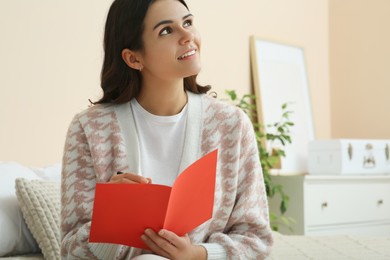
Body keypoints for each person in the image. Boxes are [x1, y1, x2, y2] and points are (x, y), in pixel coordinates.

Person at [60, 0, 273, 259]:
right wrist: (112, 220)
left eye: (187, 22)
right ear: (133, 58)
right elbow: (71, 250)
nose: (188, 37)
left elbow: (257, 239)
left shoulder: (231, 125)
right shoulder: (89, 128)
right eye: (166, 31)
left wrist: (198, 254)